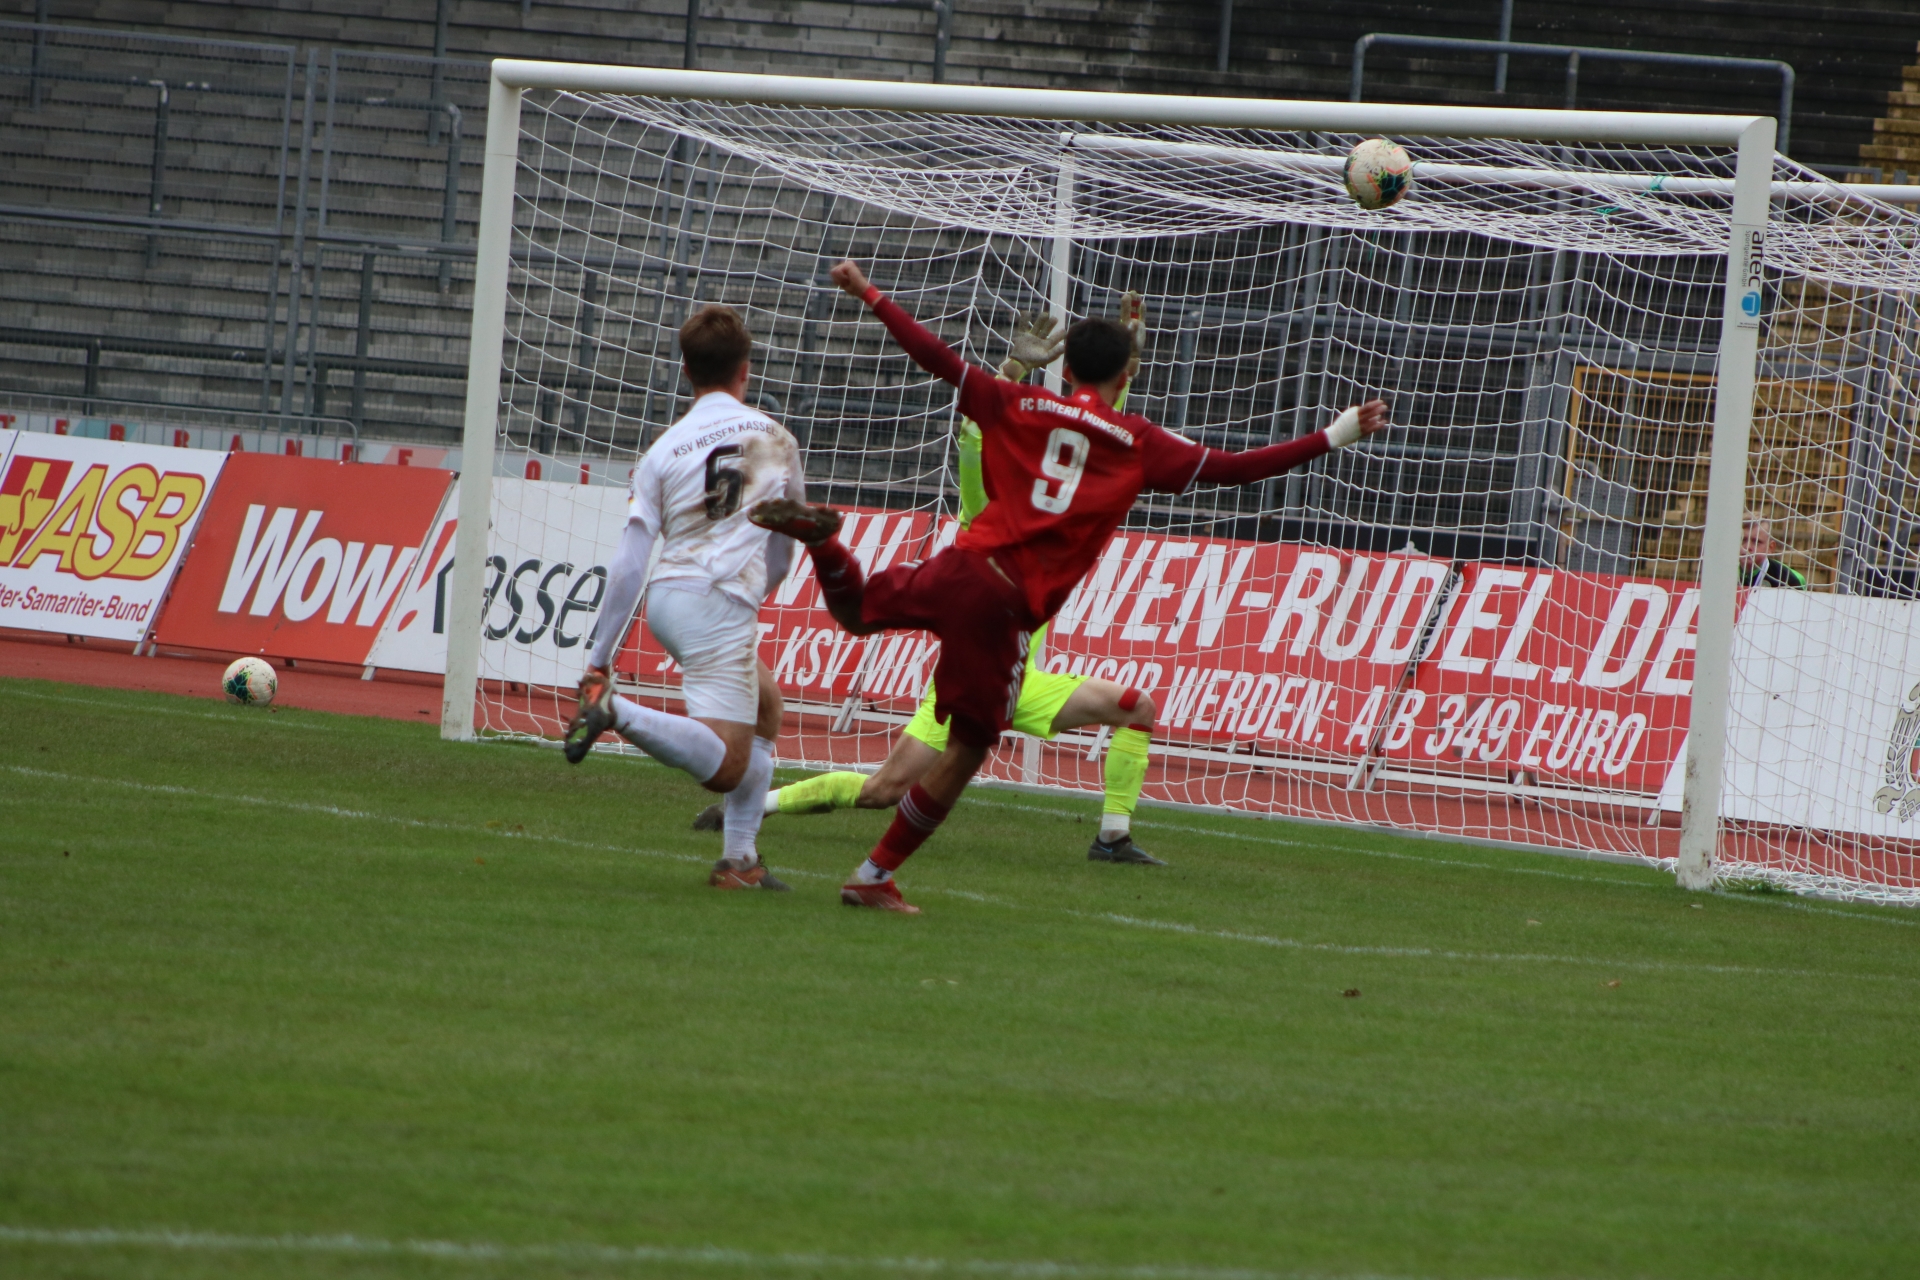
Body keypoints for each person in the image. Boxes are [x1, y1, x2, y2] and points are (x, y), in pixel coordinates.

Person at [750, 259, 1388, 912]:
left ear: (1066, 364)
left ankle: (827, 544)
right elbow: (1236, 469)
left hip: (960, 562)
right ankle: (873, 876)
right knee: (969, 750)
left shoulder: (1021, 401)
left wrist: (870, 292)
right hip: (1003, 605)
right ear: (1125, 373)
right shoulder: (1136, 442)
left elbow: (939, 359)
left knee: (856, 613)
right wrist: (1335, 434)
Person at [693, 297, 1165, 865]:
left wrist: (1127, 368)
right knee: (884, 791)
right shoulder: (984, 506)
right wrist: (1013, 371)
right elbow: (976, 433)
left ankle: (1112, 838)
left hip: (1023, 677)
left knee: (1136, 707)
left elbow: (1102, 438)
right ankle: (756, 806)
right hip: (973, 667)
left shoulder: (1049, 494)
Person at [564, 304, 805, 892]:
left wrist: (600, 653)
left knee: (767, 706)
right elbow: (786, 545)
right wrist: (760, 591)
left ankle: (741, 861)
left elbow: (629, 559)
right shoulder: (775, 439)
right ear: (745, 370)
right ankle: (615, 713)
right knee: (726, 768)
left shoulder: (663, 449)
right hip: (720, 605)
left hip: (668, 597)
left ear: (686, 372)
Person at [1738, 517, 1807, 587]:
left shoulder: (1789, 578)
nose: (1747, 547)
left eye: (1756, 542)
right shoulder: (1726, 571)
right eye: (1743, 540)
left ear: (1770, 547)